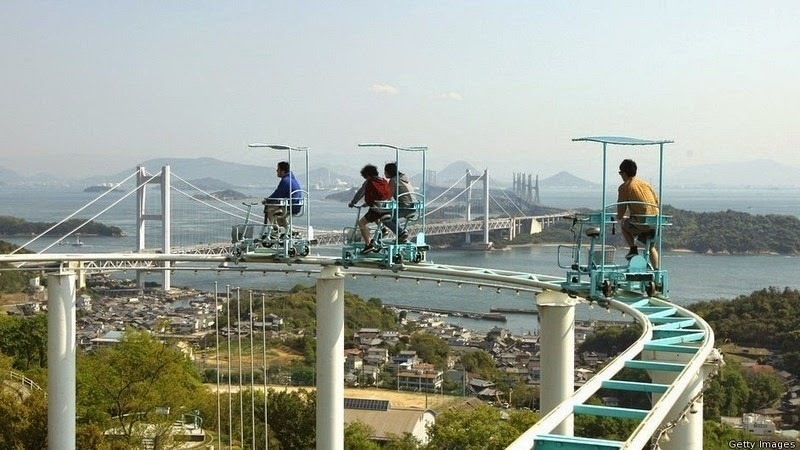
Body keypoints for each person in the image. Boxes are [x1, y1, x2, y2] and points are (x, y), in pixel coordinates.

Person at [616, 159, 660, 268]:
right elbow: (656, 201)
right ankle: (656, 271)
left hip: (641, 224)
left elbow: (621, 211)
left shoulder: (625, 187)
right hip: (656, 222)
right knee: (651, 247)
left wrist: (619, 217)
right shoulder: (645, 184)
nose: (621, 175)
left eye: (620, 173)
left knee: (623, 224)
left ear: (624, 173)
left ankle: (633, 249)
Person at [348, 164, 393, 253]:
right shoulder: (383, 181)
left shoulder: (369, 182)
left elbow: (360, 193)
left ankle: (368, 245)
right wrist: (368, 203)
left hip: (377, 209)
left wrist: (353, 203)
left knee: (361, 223)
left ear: (367, 175)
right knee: (373, 214)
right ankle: (383, 229)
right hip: (387, 208)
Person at [262, 161, 302, 231]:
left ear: (282, 171)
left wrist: (267, 200)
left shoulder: (285, 181)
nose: (276, 171)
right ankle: (289, 230)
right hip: (296, 206)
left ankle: (275, 229)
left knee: (269, 210)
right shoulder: (292, 179)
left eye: (278, 169)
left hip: (290, 206)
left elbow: (277, 194)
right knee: (279, 214)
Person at [383, 162, 417, 243]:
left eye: (385, 171)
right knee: (392, 215)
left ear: (389, 172)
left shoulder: (393, 180)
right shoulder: (404, 179)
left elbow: (388, 196)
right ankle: (401, 234)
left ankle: (400, 233)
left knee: (385, 217)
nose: (384, 173)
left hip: (405, 207)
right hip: (413, 206)